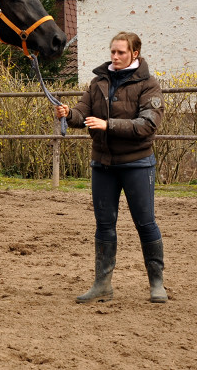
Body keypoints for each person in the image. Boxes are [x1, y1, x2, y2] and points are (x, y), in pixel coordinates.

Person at [56, 31, 167, 303]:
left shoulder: (149, 85)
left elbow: (148, 125)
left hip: (137, 164)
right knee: (104, 225)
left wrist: (108, 125)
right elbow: (82, 114)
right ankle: (102, 285)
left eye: (121, 52)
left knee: (146, 222)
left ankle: (157, 284)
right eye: (112, 52)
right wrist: (69, 114)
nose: (115, 57)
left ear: (135, 54)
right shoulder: (98, 82)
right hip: (102, 164)